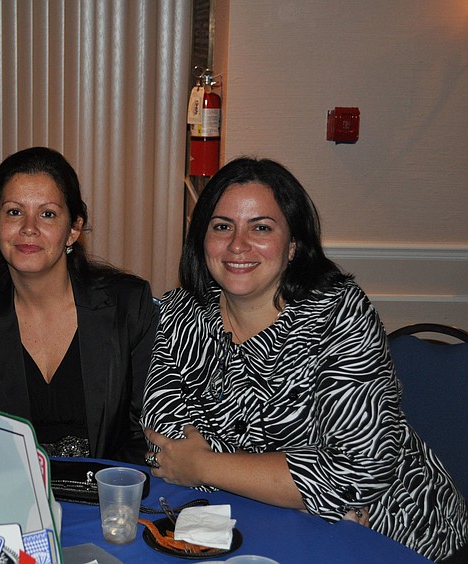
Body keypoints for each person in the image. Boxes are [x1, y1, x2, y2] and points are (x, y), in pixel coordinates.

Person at [141, 157, 467, 562]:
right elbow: (166, 444)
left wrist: (205, 466)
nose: (237, 245)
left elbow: (355, 473)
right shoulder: (181, 314)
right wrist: (297, 489)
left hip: (397, 536)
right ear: (201, 239)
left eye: (261, 227)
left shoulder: (339, 314)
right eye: (222, 226)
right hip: (257, 532)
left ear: (293, 245)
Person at [0, 147, 158, 465]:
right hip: (15, 501)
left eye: (47, 214)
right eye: (14, 212)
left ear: (73, 229)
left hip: (106, 494)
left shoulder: (127, 305)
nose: (29, 227)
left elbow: (148, 433)